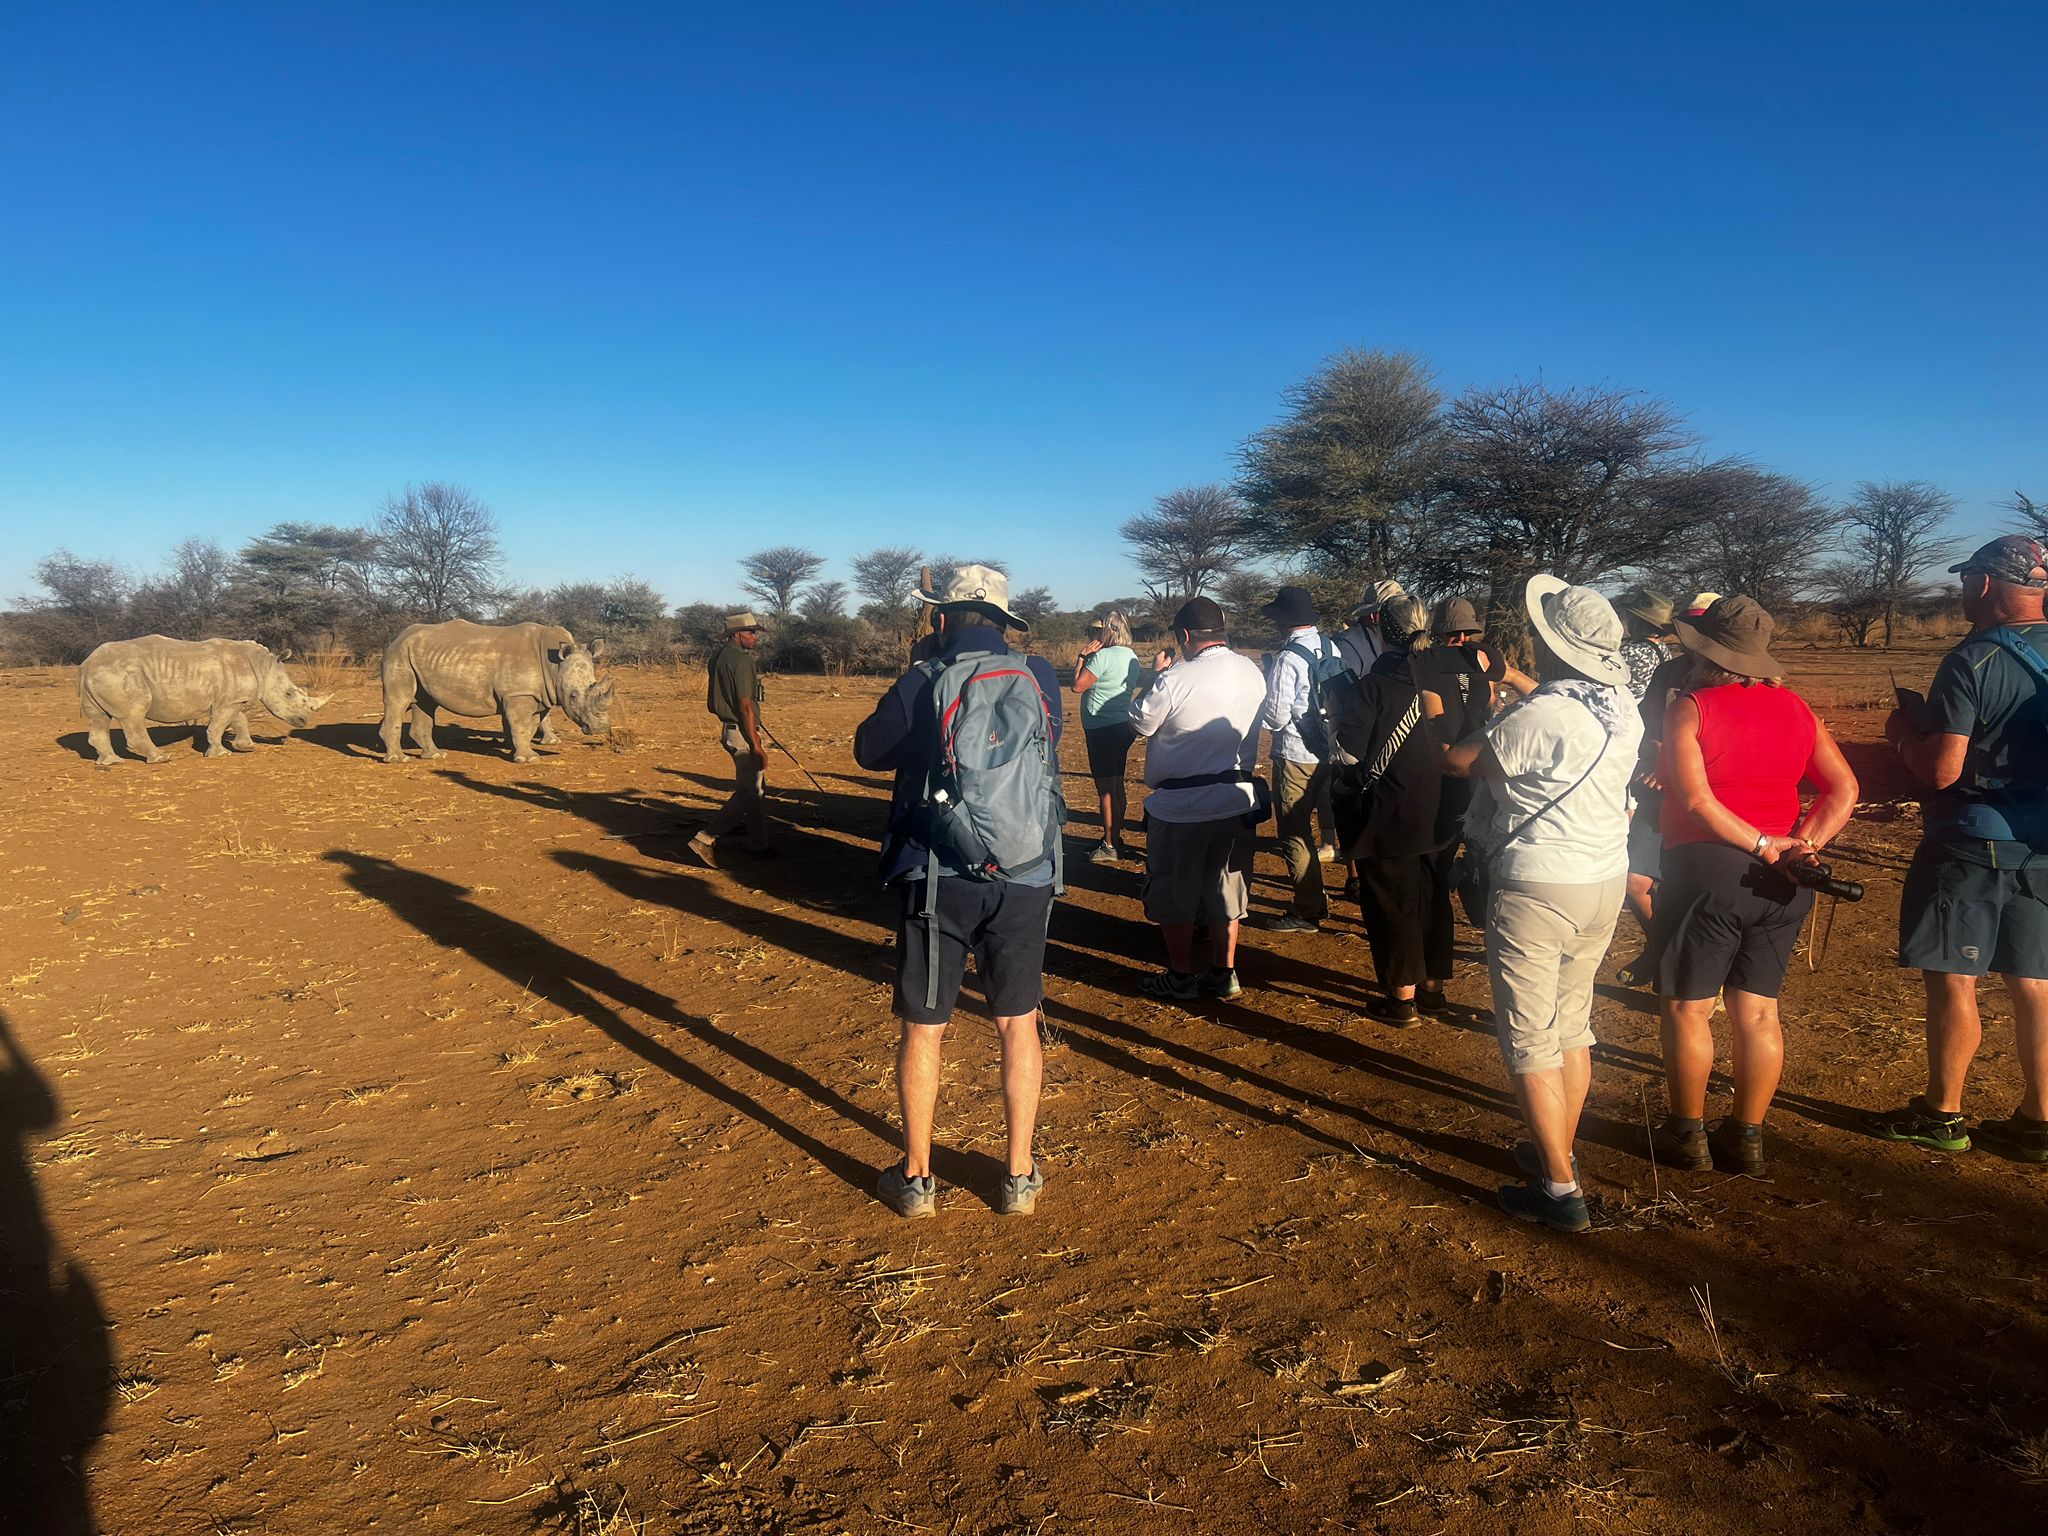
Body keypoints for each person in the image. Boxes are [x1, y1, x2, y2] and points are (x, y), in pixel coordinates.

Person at [852, 565, 1064, 1218]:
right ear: (1004, 622)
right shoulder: (1040, 675)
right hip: (1025, 870)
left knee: (925, 1028)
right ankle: (1019, 1177)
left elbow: (868, 751)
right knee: (1018, 1023)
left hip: (937, 875)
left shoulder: (923, 679)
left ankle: (917, 1179)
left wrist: (918, 676)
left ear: (940, 618)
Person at [1444, 579, 1642, 1233]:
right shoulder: (1624, 707)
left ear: (1553, 645)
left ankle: (1559, 1189)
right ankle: (1558, 1147)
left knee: (1529, 1038)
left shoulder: (1540, 716)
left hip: (1537, 885)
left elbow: (1462, 761)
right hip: (1603, 880)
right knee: (1572, 1027)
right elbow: (1564, 705)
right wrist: (1515, 682)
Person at [1648, 597, 1859, 1175]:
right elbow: (1844, 790)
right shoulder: (1797, 707)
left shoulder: (1690, 707)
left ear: (1705, 652)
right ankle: (1747, 1136)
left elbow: (1696, 801)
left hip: (1708, 871)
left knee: (1688, 1009)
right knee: (1760, 1011)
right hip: (1786, 880)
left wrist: (1763, 845)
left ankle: (1686, 1133)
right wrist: (1801, 845)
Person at [1875, 535, 2048, 1163]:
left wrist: (1903, 736)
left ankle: (1941, 1113)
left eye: (1967, 579)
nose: (1963, 589)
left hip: (1972, 842)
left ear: (1986, 584)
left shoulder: (1972, 659)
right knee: (2035, 982)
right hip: (2042, 845)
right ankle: (2039, 1122)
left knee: (1956, 977)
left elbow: (1942, 770)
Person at [1129, 596, 1268, 1002]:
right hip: (1236, 801)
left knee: (1174, 894)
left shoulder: (1175, 677)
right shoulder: (1252, 671)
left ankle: (1180, 975)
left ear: (1185, 635)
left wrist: (1157, 676)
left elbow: (1141, 722)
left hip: (1181, 807)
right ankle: (1225, 972)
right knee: (1227, 890)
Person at [1331, 595, 1442, 1026]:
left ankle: (1401, 1000)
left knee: (1393, 904)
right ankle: (1433, 989)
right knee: (1431, 899)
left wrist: (1335, 718)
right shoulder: (1444, 678)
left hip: (1389, 810)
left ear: (1380, 630)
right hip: (1441, 808)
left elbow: (1349, 754)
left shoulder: (1373, 686)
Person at [1414, 596, 1493, 1009]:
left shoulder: (1480, 664)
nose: (1461, 640)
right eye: (1454, 634)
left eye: (1467, 633)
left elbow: (1490, 711)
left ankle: (1486, 939)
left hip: (1470, 779)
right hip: (1450, 779)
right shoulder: (1432, 665)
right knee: (1443, 871)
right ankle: (1435, 981)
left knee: (1478, 867)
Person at [1255, 585, 1335, 932]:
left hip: (1295, 754)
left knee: (1294, 829)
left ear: (1282, 621)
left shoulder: (1287, 658)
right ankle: (1315, 900)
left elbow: (1275, 718)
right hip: (1329, 749)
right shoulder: (1329, 646)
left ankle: (1306, 909)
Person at [1613, 588, 1678, 985]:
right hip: (1661, 771)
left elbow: (1619, 711)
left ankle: (1662, 952)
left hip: (1641, 769)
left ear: (1636, 621)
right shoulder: (1668, 657)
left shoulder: (1632, 654)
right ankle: (1662, 954)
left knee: (1636, 876)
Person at [686, 612, 774, 865]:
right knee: (750, 792)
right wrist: (756, 744)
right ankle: (705, 838)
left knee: (754, 788)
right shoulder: (741, 660)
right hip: (743, 732)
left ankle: (758, 844)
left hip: (730, 729)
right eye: (750, 632)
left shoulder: (719, 657)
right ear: (736, 635)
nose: (755, 637)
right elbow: (745, 706)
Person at [1072, 612, 1143, 863]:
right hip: (1121, 726)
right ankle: (1115, 837)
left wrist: (1082, 657)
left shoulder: (1102, 657)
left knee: (1106, 791)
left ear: (1109, 631)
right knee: (1117, 785)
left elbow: (1077, 686)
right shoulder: (1131, 656)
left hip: (1100, 729)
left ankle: (1109, 846)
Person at [1333, 579, 1407, 676]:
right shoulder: (1347, 646)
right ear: (1374, 616)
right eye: (1394, 612)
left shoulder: (1400, 640)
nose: (1401, 616)